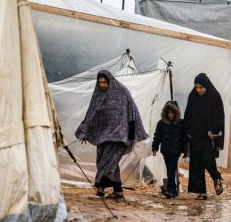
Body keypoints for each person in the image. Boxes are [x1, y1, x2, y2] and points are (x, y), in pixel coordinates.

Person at [76, 70, 148, 199]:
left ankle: (100, 187)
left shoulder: (122, 92)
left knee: (108, 162)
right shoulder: (98, 95)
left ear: (110, 80)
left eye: (105, 82)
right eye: (100, 82)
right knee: (107, 163)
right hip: (103, 136)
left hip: (119, 136)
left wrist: (133, 135)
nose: (102, 85)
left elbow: (132, 113)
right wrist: (85, 131)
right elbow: (92, 113)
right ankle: (118, 190)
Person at [184, 73, 224, 200]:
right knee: (196, 163)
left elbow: (220, 118)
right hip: (196, 135)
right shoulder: (193, 96)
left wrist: (216, 133)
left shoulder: (214, 96)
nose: (199, 90)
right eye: (196, 87)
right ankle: (201, 191)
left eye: (201, 87)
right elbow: (188, 114)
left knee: (208, 160)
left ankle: (216, 178)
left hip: (208, 135)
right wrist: (188, 131)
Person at [152, 101, 188, 199]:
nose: (170, 115)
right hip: (166, 150)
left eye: (172, 113)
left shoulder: (181, 123)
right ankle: (172, 189)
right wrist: (155, 147)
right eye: (169, 113)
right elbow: (157, 136)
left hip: (176, 150)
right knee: (169, 170)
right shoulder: (161, 123)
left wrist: (185, 150)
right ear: (166, 113)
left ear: (176, 113)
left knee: (171, 170)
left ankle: (172, 190)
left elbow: (185, 138)